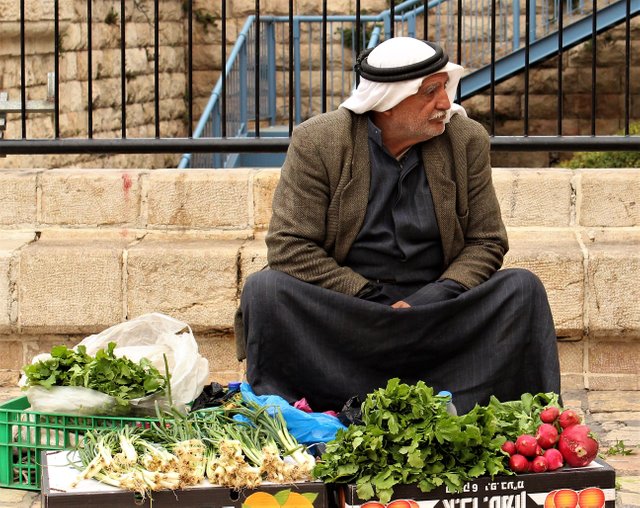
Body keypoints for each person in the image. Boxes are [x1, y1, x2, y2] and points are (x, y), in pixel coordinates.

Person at [235, 37, 560, 414]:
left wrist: (429, 299)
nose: (445, 103)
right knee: (266, 289)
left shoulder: (464, 138)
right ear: (387, 103)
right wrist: (369, 298)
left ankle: (494, 412)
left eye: (445, 88)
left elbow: (486, 241)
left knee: (521, 288)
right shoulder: (320, 141)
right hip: (350, 314)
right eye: (430, 92)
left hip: (439, 313)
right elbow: (289, 245)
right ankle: (309, 410)